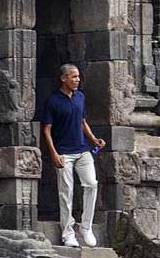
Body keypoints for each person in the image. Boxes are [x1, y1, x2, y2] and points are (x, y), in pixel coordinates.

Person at [42, 64, 106, 248]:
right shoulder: (53, 101)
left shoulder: (80, 97)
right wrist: (54, 153)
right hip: (63, 152)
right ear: (64, 79)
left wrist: (94, 139)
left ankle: (86, 227)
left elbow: (82, 121)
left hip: (82, 149)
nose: (78, 80)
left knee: (92, 184)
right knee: (66, 192)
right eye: (74, 77)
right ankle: (68, 233)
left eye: (78, 77)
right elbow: (46, 129)